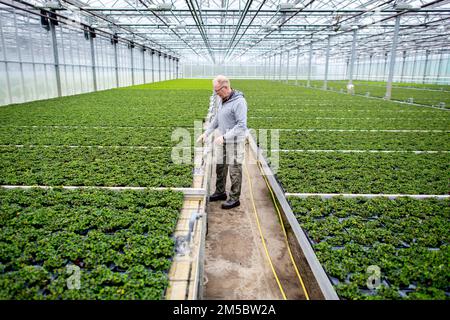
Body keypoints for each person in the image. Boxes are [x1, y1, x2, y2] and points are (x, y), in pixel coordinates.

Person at [197, 75, 248, 209]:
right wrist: (206, 133)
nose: (216, 94)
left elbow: (242, 125)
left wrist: (225, 137)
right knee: (220, 166)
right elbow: (217, 119)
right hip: (223, 140)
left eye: (217, 91)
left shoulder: (239, 102)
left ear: (225, 88)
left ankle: (234, 198)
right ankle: (220, 192)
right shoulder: (222, 99)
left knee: (234, 170)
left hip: (235, 141)